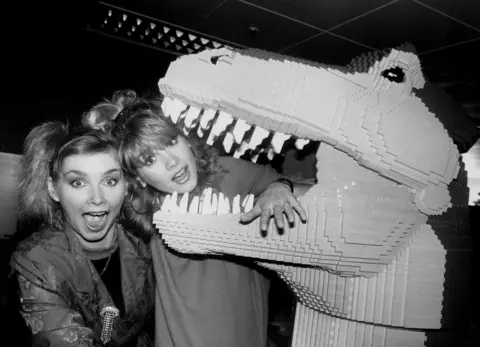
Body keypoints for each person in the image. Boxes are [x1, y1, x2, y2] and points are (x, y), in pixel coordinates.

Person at [83, 89, 307, 347]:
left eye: (169, 143)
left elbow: (275, 180)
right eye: (150, 159)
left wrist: (278, 189)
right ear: (140, 178)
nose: (171, 162)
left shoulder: (228, 173)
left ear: (185, 139)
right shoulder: (141, 209)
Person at [10, 122, 155, 346]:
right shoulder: (36, 261)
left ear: (125, 186)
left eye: (110, 181)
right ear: (53, 189)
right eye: (78, 182)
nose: (97, 197)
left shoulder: (146, 242)